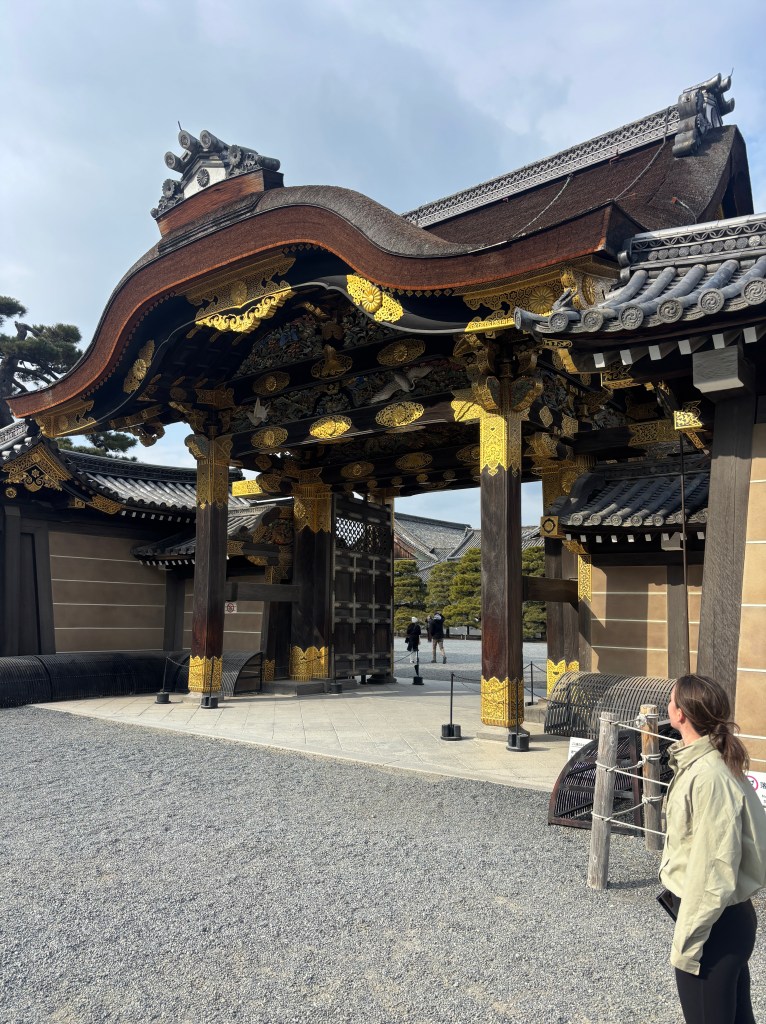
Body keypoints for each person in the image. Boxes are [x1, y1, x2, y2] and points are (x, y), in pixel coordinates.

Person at [661, 673, 766, 1024]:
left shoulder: (709, 775)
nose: (668, 705)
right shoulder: (708, 763)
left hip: (713, 924)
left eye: (671, 699)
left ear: (680, 714)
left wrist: (688, 944)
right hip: (721, 920)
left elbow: (713, 873)